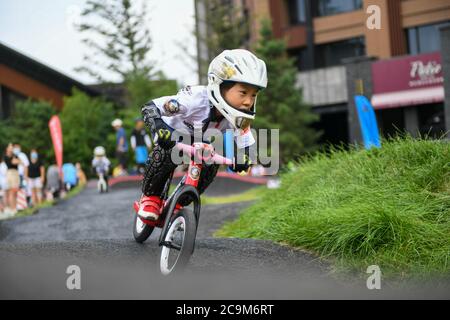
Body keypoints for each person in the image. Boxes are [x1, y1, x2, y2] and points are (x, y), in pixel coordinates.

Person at [136, 49, 267, 222]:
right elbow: (150, 108)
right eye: (243, 93)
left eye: (253, 95)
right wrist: (159, 127)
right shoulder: (194, 99)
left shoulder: (239, 118)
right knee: (166, 153)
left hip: (201, 142)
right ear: (219, 85)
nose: (248, 101)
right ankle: (150, 198)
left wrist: (244, 158)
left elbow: (246, 143)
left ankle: (179, 203)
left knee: (211, 164)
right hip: (172, 136)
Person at [3, 143, 22, 216]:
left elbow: (20, 162)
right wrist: (16, 160)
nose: (12, 148)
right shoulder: (6, 156)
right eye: (10, 147)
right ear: (7, 149)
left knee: (15, 191)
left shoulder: (15, 155)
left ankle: (15, 208)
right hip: (11, 173)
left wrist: (16, 160)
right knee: (11, 191)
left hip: (16, 173)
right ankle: (12, 209)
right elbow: (13, 162)